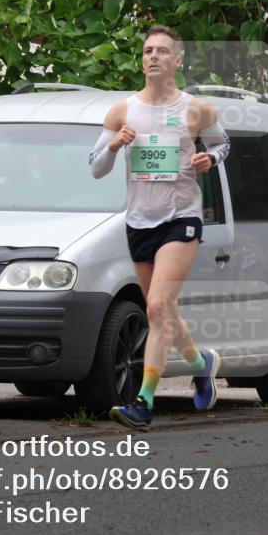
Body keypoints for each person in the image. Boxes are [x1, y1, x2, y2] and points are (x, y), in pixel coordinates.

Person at [89, 25, 230, 429]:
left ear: (178, 60)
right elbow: (96, 168)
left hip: (182, 217)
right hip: (139, 221)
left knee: (155, 306)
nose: (153, 56)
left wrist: (211, 160)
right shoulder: (122, 111)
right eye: (148, 50)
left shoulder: (197, 110)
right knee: (163, 311)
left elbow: (223, 145)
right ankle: (202, 364)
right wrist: (115, 146)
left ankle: (143, 401)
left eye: (162, 51)